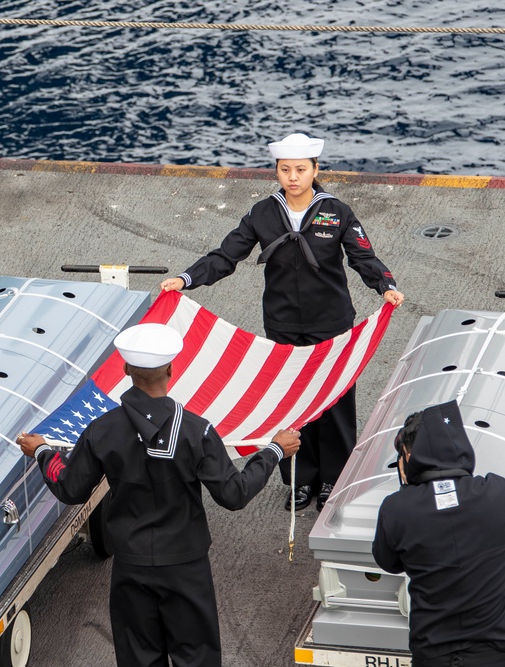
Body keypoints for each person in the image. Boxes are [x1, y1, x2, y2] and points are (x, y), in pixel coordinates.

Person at [17, 322, 300, 667]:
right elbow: (233, 494)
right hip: (186, 567)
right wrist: (272, 451)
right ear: (170, 369)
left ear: (125, 370)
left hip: (130, 567)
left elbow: (71, 488)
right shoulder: (197, 430)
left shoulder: (101, 430)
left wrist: (44, 452)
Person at [160, 133, 404, 512]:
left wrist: (385, 287)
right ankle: (299, 480)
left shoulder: (336, 211)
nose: (293, 177)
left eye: (301, 170)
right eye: (286, 170)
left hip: (332, 324)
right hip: (283, 325)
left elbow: (363, 257)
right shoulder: (263, 213)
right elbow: (227, 255)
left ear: (315, 170)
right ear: (276, 171)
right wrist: (186, 279)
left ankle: (332, 480)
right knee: (292, 402)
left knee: (336, 402)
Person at [372, 401, 505, 666]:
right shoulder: (497, 492)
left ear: (409, 456)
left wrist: (406, 489)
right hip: (493, 650)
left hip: (433, 651)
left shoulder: (397, 509)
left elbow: (388, 562)